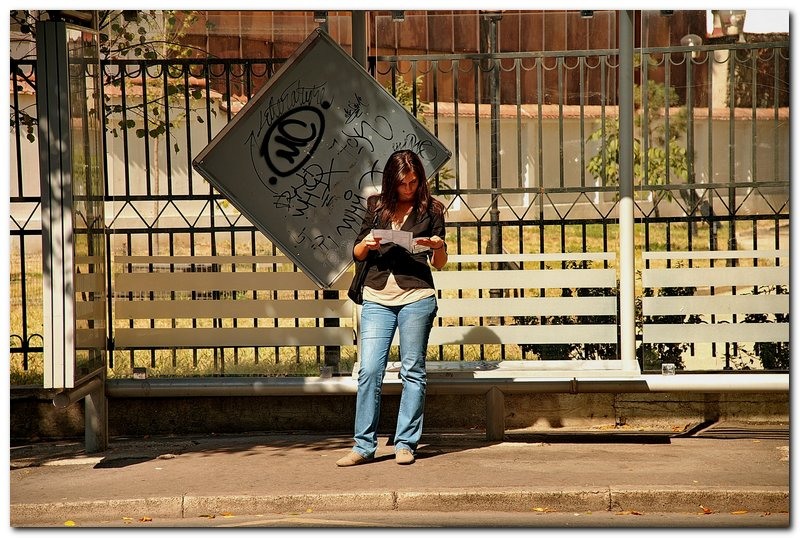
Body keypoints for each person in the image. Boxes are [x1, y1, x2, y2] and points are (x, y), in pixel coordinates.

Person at [336, 149, 448, 467]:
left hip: (417, 295)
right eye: (403, 183)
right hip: (377, 295)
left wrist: (438, 246)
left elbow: (440, 263)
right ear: (391, 182)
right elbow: (357, 253)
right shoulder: (377, 206)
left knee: (412, 370)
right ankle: (363, 445)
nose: (409, 188)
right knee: (370, 369)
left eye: (413, 182)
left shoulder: (432, 209)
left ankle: (406, 443)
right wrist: (367, 243)